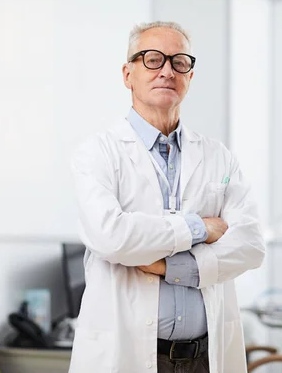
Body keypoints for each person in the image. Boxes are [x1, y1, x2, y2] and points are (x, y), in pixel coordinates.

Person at [69, 21, 265, 373]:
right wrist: (199, 228)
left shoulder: (218, 156)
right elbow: (112, 237)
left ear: (190, 76)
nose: (167, 71)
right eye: (153, 59)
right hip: (126, 355)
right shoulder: (97, 153)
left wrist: (167, 266)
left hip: (205, 357)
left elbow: (250, 244)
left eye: (179, 62)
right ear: (128, 74)